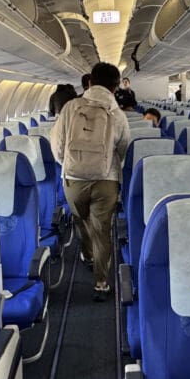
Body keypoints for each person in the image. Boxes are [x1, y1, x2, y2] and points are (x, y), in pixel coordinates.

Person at [50, 62, 130, 301]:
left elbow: (58, 144)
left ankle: (87, 255)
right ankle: (101, 283)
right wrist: (111, 166)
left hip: (74, 179)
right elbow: (123, 148)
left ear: (90, 82)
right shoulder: (117, 114)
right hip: (106, 180)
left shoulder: (70, 107)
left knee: (80, 220)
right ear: (115, 87)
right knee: (102, 230)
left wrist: (68, 164)